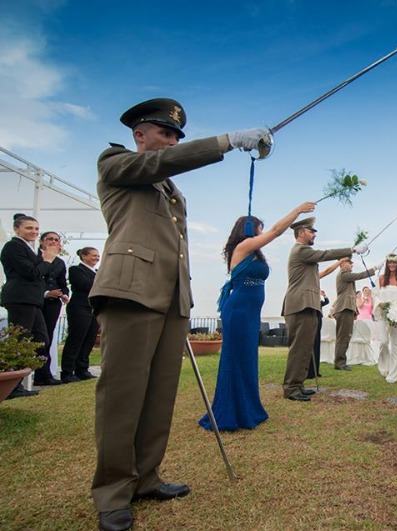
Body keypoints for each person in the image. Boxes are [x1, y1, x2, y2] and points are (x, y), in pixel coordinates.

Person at [89, 97, 271, 531]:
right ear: (140, 134)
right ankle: (113, 492)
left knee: (158, 395)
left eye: (175, 135)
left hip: (171, 300)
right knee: (122, 397)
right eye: (164, 133)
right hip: (131, 293)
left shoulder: (169, 188)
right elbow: (157, 165)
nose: (170, 140)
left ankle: (146, 477)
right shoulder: (115, 162)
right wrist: (227, 141)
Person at [199, 203, 315, 432]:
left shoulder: (252, 253)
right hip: (239, 312)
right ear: (249, 230)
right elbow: (276, 231)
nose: (262, 233)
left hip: (250, 313)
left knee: (247, 359)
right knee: (236, 359)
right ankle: (232, 412)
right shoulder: (244, 246)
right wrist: (297, 211)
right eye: (259, 229)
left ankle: (247, 407)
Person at [281, 217, 368, 401]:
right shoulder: (301, 250)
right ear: (301, 232)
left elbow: (324, 267)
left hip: (308, 306)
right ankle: (291, 388)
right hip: (300, 306)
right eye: (311, 231)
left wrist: (342, 258)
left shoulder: (305, 255)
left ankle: (298, 384)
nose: (314, 234)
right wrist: (351, 249)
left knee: (305, 348)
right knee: (299, 348)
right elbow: (325, 254)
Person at [1, 213, 60, 398]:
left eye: (36, 228)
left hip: (33, 300)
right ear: (16, 229)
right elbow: (32, 273)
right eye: (29, 228)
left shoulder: (30, 249)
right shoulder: (13, 247)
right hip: (20, 298)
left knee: (41, 338)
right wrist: (47, 260)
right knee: (19, 340)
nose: (33, 232)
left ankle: (23, 378)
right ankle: (12, 384)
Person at [329, 257, 381, 371]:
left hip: (347, 308)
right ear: (341, 264)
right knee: (343, 337)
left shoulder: (345, 274)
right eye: (349, 263)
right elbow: (360, 275)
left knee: (345, 336)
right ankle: (339, 363)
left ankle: (341, 361)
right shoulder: (344, 274)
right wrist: (375, 268)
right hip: (344, 308)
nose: (352, 265)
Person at [61, 247, 100, 382]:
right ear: (84, 256)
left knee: (89, 339)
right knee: (76, 339)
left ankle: (82, 369)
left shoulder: (97, 273)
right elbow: (85, 284)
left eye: (98, 256)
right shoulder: (76, 270)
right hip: (79, 308)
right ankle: (67, 371)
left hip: (93, 309)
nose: (96, 258)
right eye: (93, 255)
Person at [39, 231, 69, 385]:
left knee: (48, 337)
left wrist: (64, 294)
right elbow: (33, 277)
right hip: (38, 301)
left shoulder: (60, 262)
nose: (53, 242)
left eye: (56, 240)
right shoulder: (35, 257)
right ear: (42, 241)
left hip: (53, 304)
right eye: (50, 239)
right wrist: (46, 293)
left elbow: (62, 282)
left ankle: (44, 374)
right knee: (38, 337)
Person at [374, 253, 397, 383]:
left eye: (394, 262)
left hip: (396, 315)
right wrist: (380, 303)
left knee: (395, 344)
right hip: (383, 314)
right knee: (383, 342)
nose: (392, 265)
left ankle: (393, 374)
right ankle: (384, 367)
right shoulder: (381, 278)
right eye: (390, 262)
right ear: (387, 264)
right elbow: (375, 294)